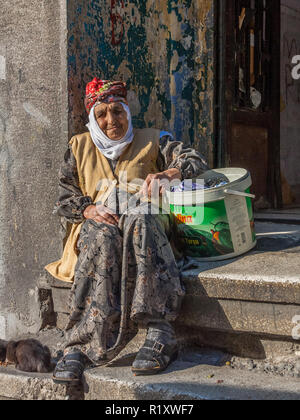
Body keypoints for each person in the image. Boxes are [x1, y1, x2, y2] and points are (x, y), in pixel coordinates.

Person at [45, 78, 209, 384]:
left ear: (127, 111)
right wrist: (89, 209)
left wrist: (171, 171)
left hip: (146, 234)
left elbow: (195, 161)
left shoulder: (153, 139)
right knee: (100, 231)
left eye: (117, 111)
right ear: (92, 118)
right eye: (102, 114)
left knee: (140, 216)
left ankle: (159, 329)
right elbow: (64, 199)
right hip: (100, 235)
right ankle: (80, 342)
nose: (111, 121)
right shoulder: (78, 147)